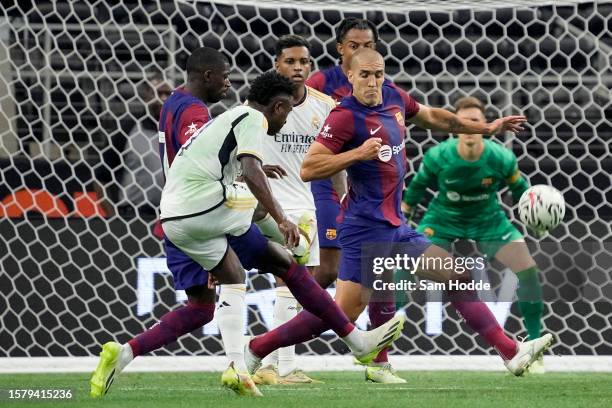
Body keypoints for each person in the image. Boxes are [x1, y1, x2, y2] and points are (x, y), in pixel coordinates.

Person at [244, 48, 552, 380]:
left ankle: (510, 352)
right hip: (365, 229)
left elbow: (435, 117)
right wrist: (358, 154)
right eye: (365, 75)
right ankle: (258, 348)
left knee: (457, 277)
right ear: (351, 76)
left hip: (396, 227)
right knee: (344, 311)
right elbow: (310, 167)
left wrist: (487, 129)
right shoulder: (344, 115)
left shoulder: (393, 96)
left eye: (378, 74)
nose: (373, 81)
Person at [159, 70, 405, 396]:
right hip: (207, 208)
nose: (288, 120)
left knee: (250, 276)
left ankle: (241, 363)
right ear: (277, 106)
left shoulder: (232, 116)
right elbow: (250, 168)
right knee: (281, 261)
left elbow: (232, 165)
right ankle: (327, 343)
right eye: (287, 112)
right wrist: (283, 219)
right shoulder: (250, 118)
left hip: (185, 214)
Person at [90, 47, 231, 398]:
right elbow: (203, 162)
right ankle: (243, 366)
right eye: (225, 76)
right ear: (207, 76)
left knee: (201, 308)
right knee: (276, 262)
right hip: (199, 217)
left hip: (173, 213)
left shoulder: (173, 102)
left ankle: (123, 353)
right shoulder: (195, 110)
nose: (229, 83)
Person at [403, 96, 546, 373]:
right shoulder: (438, 156)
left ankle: (535, 346)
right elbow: (414, 194)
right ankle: (381, 346)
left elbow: (522, 194)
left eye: (476, 122)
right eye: (465, 122)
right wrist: (400, 223)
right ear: (456, 127)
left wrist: (536, 214)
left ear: (485, 126)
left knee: (528, 269)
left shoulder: (501, 157)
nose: (470, 126)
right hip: (443, 218)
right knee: (403, 265)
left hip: (488, 219)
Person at [306, 17, 405, 383]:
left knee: (377, 284)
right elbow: (307, 154)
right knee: (340, 288)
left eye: (368, 45)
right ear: (341, 52)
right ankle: (267, 351)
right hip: (327, 188)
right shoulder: (323, 87)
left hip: (366, 200)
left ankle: (378, 361)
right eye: (354, 45)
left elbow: (422, 115)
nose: (361, 51)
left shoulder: (385, 93)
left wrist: (483, 127)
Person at [250, 34, 336, 385]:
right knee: (292, 283)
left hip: (306, 204)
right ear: (277, 65)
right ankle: (281, 366)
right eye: (290, 61)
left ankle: (268, 360)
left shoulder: (325, 106)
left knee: (300, 284)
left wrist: (340, 200)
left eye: (304, 62)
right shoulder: (258, 105)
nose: (298, 68)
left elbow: (333, 158)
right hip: (266, 203)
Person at [94, 73, 172, 217]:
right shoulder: (127, 128)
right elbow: (101, 179)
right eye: (157, 93)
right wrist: (114, 219)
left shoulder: (181, 132)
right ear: (146, 96)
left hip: (171, 218)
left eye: (167, 93)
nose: (162, 98)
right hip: (134, 216)